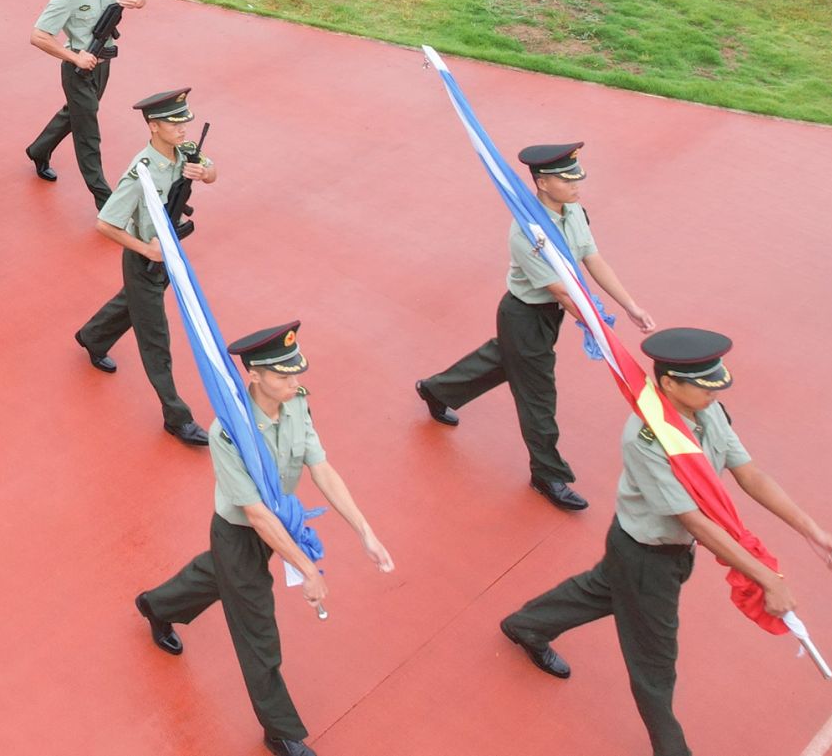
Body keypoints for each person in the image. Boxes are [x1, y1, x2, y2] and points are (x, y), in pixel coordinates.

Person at [499, 329, 832, 756]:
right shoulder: (646, 438)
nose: (714, 393)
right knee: (655, 663)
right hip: (648, 556)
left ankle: (527, 625)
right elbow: (694, 521)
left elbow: (750, 474)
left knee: (604, 589)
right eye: (704, 386)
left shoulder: (709, 412)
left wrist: (812, 531)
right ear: (669, 384)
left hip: (657, 550)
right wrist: (767, 579)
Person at [136, 321, 395, 756]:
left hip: (275, 523)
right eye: (283, 376)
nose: (295, 382)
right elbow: (255, 515)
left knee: (217, 576)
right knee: (257, 630)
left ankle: (156, 605)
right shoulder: (228, 433)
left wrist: (364, 531)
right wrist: (308, 569)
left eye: (297, 373)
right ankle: (280, 731)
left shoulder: (297, 404)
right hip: (240, 532)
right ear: (254, 375)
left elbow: (320, 467)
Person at [415, 143, 656, 512]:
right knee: (538, 395)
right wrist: (598, 329)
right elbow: (562, 291)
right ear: (542, 183)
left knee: (502, 360)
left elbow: (592, 258)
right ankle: (547, 474)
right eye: (567, 180)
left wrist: (630, 305)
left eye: (577, 178)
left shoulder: (574, 211)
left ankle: (435, 389)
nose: (576, 185)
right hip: (525, 316)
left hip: (546, 316)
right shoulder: (527, 233)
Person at [76, 88, 213, 446]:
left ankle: (93, 336)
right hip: (145, 260)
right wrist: (147, 251)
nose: (183, 128)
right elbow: (105, 224)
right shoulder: (141, 174)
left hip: (169, 253)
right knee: (156, 339)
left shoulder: (185, 151)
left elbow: (211, 170)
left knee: (132, 303)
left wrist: (204, 173)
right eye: (174, 123)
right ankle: (177, 417)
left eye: (184, 121)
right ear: (153, 126)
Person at [24, 0, 143, 205]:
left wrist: (138, 0)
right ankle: (105, 200)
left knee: (75, 114)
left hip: (103, 66)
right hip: (77, 71)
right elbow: (38, 36)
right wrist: (75, 56)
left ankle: (39, 150)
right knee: (88, 132)